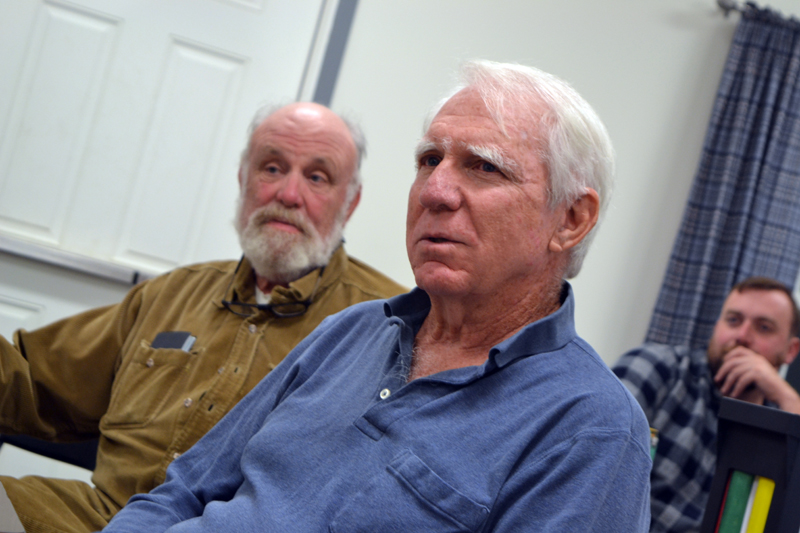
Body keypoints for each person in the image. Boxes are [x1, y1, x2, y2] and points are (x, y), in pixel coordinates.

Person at [102, 60, 652, 532]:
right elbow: (179, 493)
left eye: (484, 167)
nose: (435, 191)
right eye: (429, 160)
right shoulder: (353, 331)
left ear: (572, 219)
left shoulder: (590, 428)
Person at [0, 102, 407, 533]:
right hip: (93, 518)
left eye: (317, 177)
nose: (289, 194)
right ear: (242, 178)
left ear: (351, 201)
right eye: (271, 168)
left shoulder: (385, 326)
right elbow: (28, 379)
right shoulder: (171, 294)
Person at [613, 276, 800, 533]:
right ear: (716, 326)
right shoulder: (658, 368)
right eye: (733, 320)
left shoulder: (780, 425)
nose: (742, 336)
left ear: (791, 351)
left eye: (764, 327)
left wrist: (787, 396)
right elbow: (592, 469)